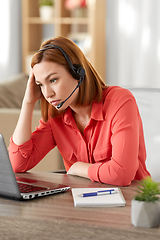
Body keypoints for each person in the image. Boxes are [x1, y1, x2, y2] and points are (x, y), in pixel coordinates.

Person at [8, 36, 150, 186]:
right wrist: (28, 102)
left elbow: (121, 175)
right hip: (81, 203)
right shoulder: (56, 115)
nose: (48, 93)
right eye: (41, 85)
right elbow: (17, 164)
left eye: (53, 80)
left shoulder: (120, 101)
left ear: (78, 73)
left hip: (131, 201)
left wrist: (78, 168)